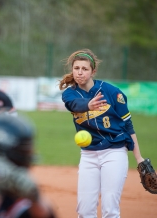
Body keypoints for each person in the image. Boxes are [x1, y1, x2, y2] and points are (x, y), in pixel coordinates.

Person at [58, 48, 145, 218]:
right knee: (84, 211)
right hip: (88, 155)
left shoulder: (112, 92)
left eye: (84, 69)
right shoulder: (69, 94)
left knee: (110, 209)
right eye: (76, 68)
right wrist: (88, 105)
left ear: (93, 71)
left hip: (114, 152)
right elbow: (74, 104)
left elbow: (128, 125)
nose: (80, 72)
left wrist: (139, 157)